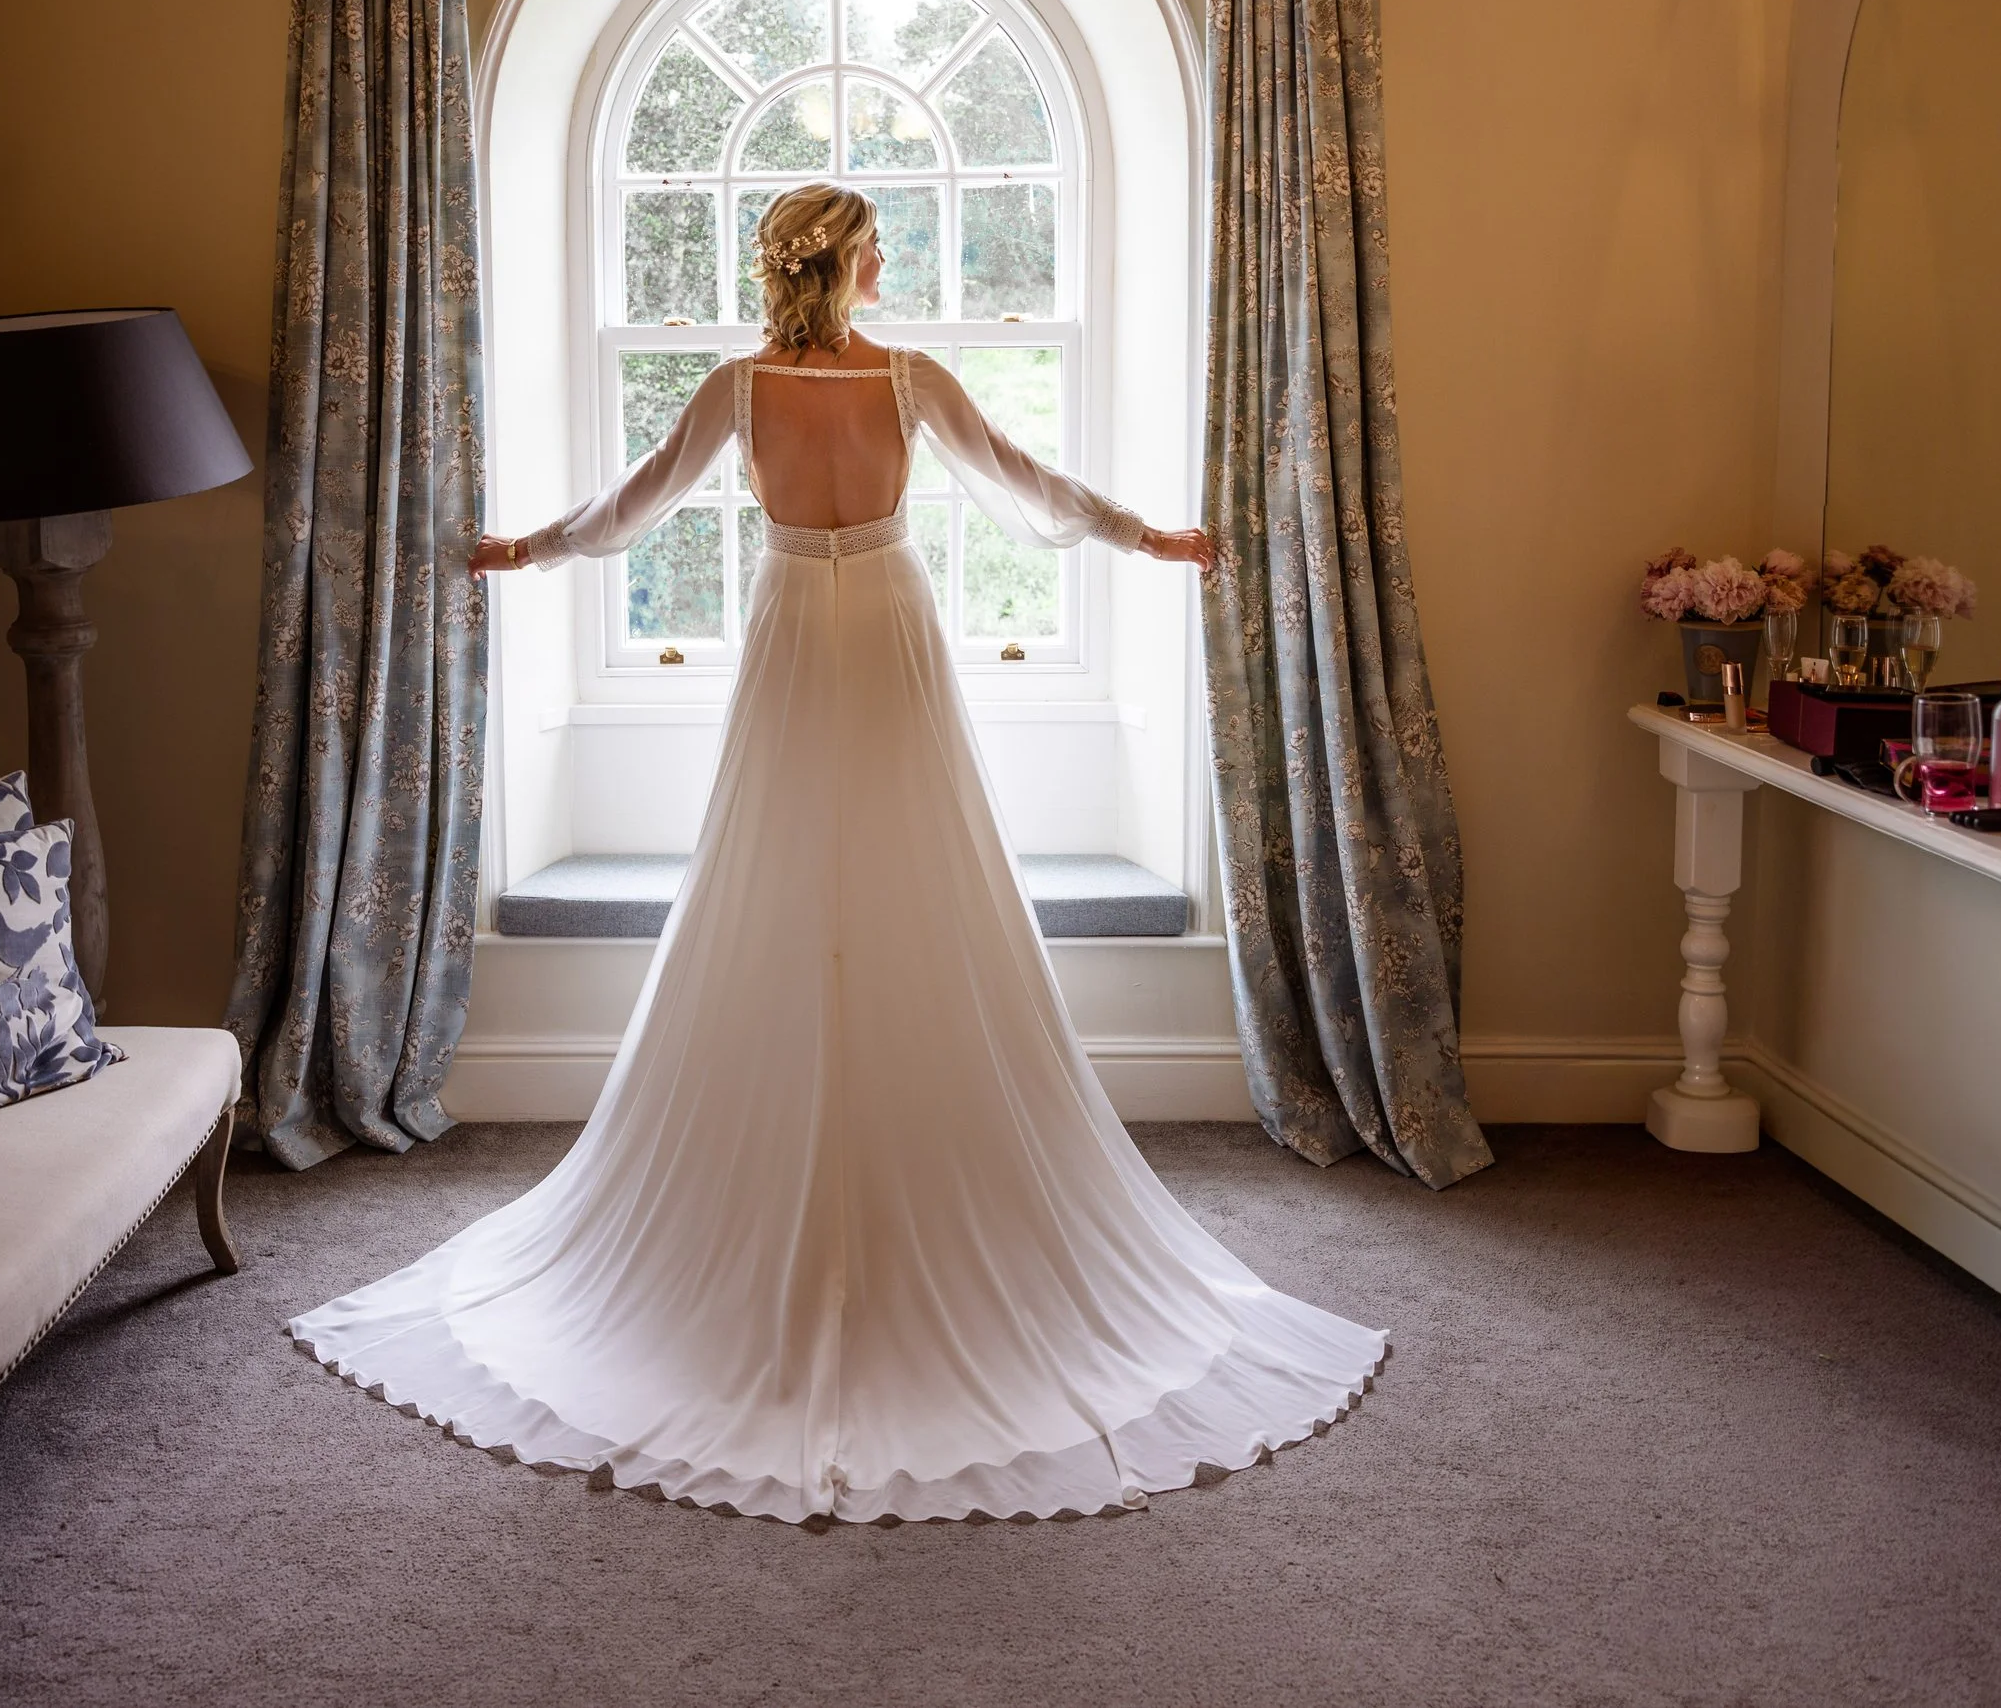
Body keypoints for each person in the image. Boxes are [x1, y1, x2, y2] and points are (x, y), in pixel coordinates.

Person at [289, 182, 1385, 1523]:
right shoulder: (906, 379)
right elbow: (1027, 483)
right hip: (885, 625)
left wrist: (523, 548)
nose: (889, 262)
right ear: (853, 265)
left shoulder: (739, 390)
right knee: (907, 876)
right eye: (879, 246)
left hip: (795, 629)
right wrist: (1150, 535)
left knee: (802, 872)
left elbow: (631, 506)